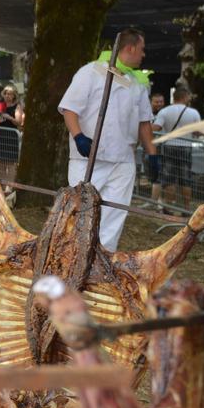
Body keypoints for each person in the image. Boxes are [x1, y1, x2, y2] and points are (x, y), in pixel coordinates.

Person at [58, 27, 158, 251]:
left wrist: (152, 154)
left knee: (115, 215)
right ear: (130, 48)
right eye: (141, 50)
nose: (143, 55)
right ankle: (73, 257)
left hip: (123, 160)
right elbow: (70, 109)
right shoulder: (90, 72)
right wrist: (79, 136)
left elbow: (144, 121)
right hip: (89, 157)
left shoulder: (138, 83)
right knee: (81, 212)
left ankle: (103, 258)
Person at [150, 87, 201, 209]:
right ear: (184, 97)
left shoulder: (165, 111)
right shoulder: (193, 113)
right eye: (188, 96)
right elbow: (198, 132)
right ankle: (186, 208)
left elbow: (156, 128)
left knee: (169, 178)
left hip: (169, 147)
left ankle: (169, 206)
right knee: (186, 179)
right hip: (186, 147)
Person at [0, 84, 23, 181]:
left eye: (10, 94)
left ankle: (10, 187)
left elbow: (19, 122)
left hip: (11, 138)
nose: (8, 96)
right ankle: (2, 187)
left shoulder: (17, 106)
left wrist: (9, 117)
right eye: (6, 94)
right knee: (1, 164)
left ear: (14, 96)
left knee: (11, 164)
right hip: (0, 137)